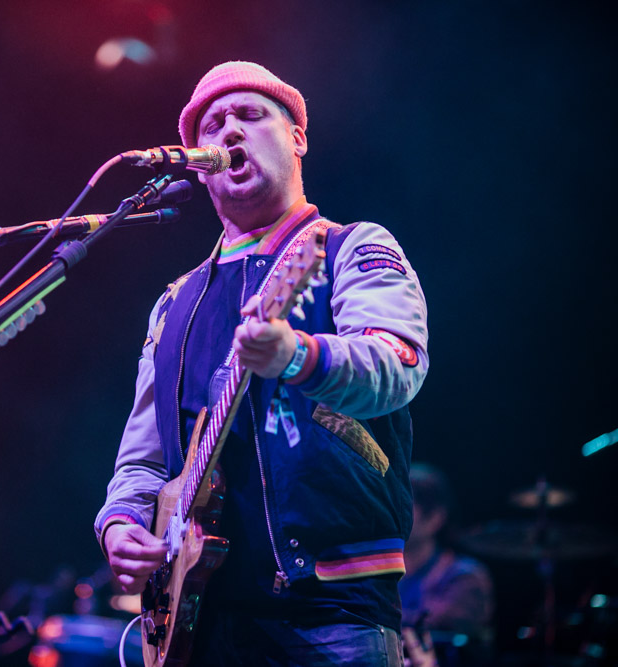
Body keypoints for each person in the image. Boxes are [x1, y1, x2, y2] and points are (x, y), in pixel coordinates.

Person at [94, 61, 429, 665]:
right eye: (213, 125)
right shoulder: (175, 304)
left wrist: (297, 354)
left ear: (297, 138)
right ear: (198, 162)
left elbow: (396, 365)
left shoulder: (352, 246)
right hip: (201, 620)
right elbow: (142, 459)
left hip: (332, 610)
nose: (229, 132)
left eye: (251, 115)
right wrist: (120, 526)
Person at [399, 463, 494, 665]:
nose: (393, 514)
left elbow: (442, 622)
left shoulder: (465, 576)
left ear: (435, 518)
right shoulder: (380, 573)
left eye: (404, 505)